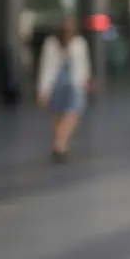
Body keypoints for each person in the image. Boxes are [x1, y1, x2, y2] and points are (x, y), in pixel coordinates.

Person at [36, 16, 92, 161]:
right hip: (62, 83)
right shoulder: (53, 44)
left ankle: (60, 144)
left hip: (73, 82)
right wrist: (44, 90)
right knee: (64, 115)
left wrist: (86, 78)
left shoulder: (78, 43)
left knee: (68, 114)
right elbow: (47, 67)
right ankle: (60, 144)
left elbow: (83, 64)